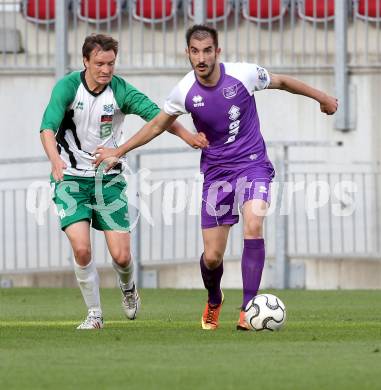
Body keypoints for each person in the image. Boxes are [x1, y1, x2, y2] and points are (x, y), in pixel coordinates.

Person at [94, 25, 338, 331]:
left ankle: (248, 310)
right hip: (216, 174)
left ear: (217, 52)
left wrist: (322, 97)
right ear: (188, 54)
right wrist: (120, 149)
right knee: (212, 258)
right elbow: (157, 125)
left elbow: (283, 81)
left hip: (253, 164)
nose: (201, 57)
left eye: (207, 50)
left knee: (253, 224)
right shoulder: (184, 91)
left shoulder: (243, 75)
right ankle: (214, 298)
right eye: (195, 51)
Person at [40, 34, 207, 330]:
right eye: (100, 63)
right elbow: (47, 128)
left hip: (109, 180)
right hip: (71, 180)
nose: (106, 70)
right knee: (81, 249)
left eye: (111, 63)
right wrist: (55, 161)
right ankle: (95, 315)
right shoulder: (67, 87)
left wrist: (188, 137)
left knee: (121, 256)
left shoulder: (120, 91)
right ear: (85, 62)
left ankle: (128, 288)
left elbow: (159, 116)